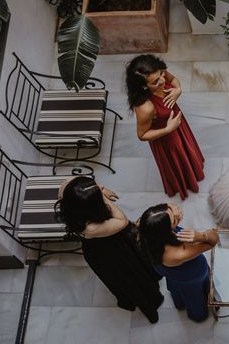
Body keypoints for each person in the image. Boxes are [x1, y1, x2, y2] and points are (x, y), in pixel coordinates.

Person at [55, 176, 163, 323]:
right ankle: (149, 305)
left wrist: (101, 189)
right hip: (109, 253)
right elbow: (122, 221)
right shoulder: (90, 228)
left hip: (114, 239)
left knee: (139, 261)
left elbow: (72, 180)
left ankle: (150, 276)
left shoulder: (69, 195)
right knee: (129, 276)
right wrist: (104, 197)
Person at [125, 54, 204, 200]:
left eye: (161, 74)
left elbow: (172, 79)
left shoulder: (158, 72)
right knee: (178, 160)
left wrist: (178, 89)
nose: (162, 80)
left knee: (188, 149)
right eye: (156, 82)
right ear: (144, 86)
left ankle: (194, 169)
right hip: (167, 137)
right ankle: (184, 182)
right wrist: (168, 129)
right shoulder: (145, 107)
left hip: (178, 124)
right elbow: (142, 135)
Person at [138, 203, 218, 322]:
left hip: (174, 273)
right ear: (166, 230)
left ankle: (180, 301)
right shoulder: (175, 253)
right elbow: (212, 241)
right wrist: (203, 235)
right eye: (174, 219)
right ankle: (198, 314)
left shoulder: (147, 228)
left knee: (180, 287)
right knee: (193, 295)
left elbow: (167, 206)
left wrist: (173, 211)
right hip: (192, 275)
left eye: (170, 210)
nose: (177, 214)